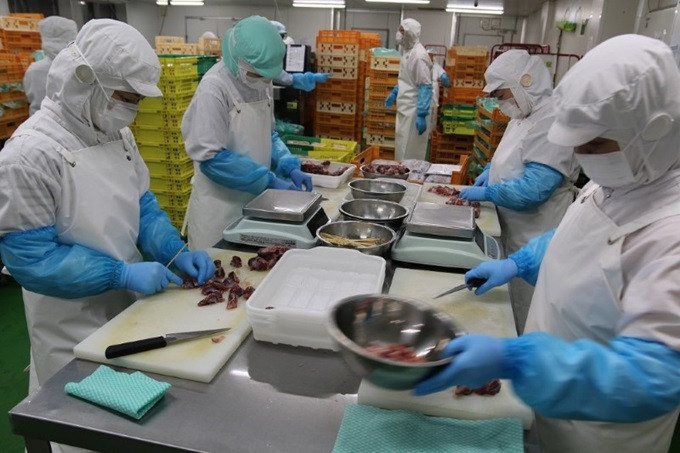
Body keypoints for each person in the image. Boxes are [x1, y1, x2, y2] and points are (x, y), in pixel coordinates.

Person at [414, 35, 680, 453]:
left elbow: (653, 376)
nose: (582, 155)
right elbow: (581, 239)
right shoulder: (621, 180)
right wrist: (520, 263)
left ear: (654, 130)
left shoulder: (670, 233)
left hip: (597, 435)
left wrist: (521, 360)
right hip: (546, 402)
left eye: (595, 143)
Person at [0, 19, 216, 397]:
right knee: (83, 415)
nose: (133, 110)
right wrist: (121, 274)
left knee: (134, 403)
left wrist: (174, 251)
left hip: (127, 309)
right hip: (69, 324)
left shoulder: (117, 134)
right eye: (127, 98)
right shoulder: (29, 155)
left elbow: (142, 206)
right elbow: (32, 259)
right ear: (85, 81)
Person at [457, 49, 579, 333]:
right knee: (510, 302)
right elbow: (513, 154)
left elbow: (533, 191)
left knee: (527, 305)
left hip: (535, 229)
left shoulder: (551, 119)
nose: (499, 103)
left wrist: (489, 194)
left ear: (524, 83)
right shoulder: (524, 113)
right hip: (513, 225)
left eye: (501, 94)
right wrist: (491, 170)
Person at [182, 16, 313, 251]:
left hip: (257, 204)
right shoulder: (213, 89)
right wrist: (267, 180)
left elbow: (268, 134)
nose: (264, 80)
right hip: (220, 210)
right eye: (258, 74)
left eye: (267, 75)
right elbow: (211, 159)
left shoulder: (260, 81)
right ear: (238, 61)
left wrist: (287, 163)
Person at [384, 19, 433, 161]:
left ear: (410, 33)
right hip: (405, 108)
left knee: (411, 152)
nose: (399, 34)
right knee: (402, 147)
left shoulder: (418, 56)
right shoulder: (407, 52)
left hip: (414, 111)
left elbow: (425, 86)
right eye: (399, 30)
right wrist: (395, 92)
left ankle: (410, 175)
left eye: (402, 31)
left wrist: (421, 114)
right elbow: (408, 79)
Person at [23, 16, 77, 116]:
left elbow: (32, 99)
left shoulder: (34, 70)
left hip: (41, 122)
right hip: (75, 124)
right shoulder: (81, 67)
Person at [269, 19, 331, 92]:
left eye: (283, 37)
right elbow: (280, 76)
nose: (281, 41)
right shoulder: (261, 55)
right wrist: (309, 78)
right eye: (280, 36)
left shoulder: (267, 53)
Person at [428, 50, 450, 132]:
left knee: (429, 110)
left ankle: (429, 132)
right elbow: (444, 77)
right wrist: (447, 83)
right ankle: (431, 132)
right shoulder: (436, 66)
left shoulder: (423, 65)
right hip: (433, 87)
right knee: (433, 111)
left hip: (426, 86)